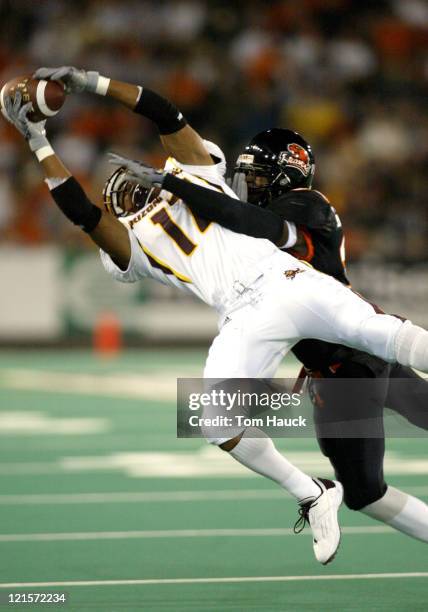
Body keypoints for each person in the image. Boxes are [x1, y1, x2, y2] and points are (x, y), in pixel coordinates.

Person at [3, 69, 428, 562]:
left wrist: (92, 83)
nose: (120, 185)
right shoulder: (136, 242)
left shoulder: (195, 174)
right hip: (245, 316)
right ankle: (311, 492)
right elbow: (84, 214)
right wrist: (37, 141)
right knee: (215, 419)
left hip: (284, 282)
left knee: (380, 332)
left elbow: (162, 111)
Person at [117, 125, 428, 545]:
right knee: (364, 494)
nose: (250, 183)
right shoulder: (261, 231)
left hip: (360, 354)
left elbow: (247, 220)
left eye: (260, 175)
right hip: (334, 372)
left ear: (289, 174)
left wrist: (175, 184)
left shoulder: (304, 206)